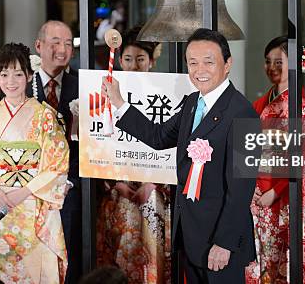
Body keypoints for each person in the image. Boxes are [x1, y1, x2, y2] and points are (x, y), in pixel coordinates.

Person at [103, 28, 260, 283]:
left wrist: (224, 243)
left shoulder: (243, 113)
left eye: (209, 62)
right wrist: (120, 102)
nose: (200, 70)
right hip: (191, 235)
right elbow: (158, 137)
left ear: (228, 64)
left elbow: (241, 189)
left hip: (221, 243)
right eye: (192, 62)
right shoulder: (191, 103)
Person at [0, 42, 70, 283]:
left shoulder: (46, 117)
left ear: (30, 76)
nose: (11, 81)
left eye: (18, 74)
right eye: (4, 74)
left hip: (31, 205)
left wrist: (22, 193)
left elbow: (57, 165)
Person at [246, 36, 305, 284]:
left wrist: (277, 191)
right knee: (260, 262)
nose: (272, 68)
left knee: (284, 265)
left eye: (279, 62)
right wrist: (252, 187)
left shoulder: (301, 108)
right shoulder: (259, 104)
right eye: (268, 62)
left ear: (294, 65)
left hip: (284, 198)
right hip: (257, 196)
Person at [96, 27, 170, 283]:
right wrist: (116, 181)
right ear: (119, 60)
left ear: (152, 61)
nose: (134, 65)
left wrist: (153, 183)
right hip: (118, 187)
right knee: (118, 252)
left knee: (151, 254)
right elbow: (98, 142)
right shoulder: (105, 91)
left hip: (153, 189)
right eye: (128, 59)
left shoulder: (164, 92)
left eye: (141, 59)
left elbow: (168, 143)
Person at [28, 20, 81, 282]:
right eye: (55, 43)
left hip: (73, 187)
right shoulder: (22, 85)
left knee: (71, 258)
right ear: (38, 46)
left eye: (68, 43)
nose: (62, 49)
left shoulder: (83, 84)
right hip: (31, 190)